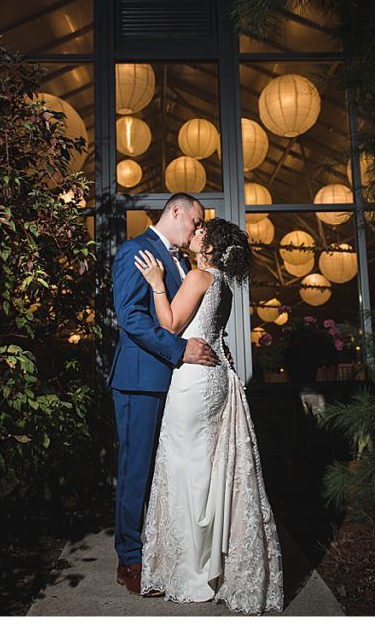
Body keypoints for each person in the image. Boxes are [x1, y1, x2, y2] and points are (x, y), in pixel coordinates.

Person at [133, 217, 284, 615]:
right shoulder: (224, 286)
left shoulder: (201, 276)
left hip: (194, 384)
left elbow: (169, 325)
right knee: (206, 467)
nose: (195, 233)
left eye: (202, 233)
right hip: (216, 378)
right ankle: (212, 565)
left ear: (211, 248)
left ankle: (195, 567)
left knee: (187, 470)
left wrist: (157, 284)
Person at [107, 193, 220, 598]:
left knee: (162, 474)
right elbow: (131, 316)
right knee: (136, 470)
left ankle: (156, 551)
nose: (197, 228)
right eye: (196, 220)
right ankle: (130, 560)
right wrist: (181, 350)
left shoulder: (182, 263)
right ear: (176, 211)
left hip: (174, 385)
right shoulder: (135, 251)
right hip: (140, 381)